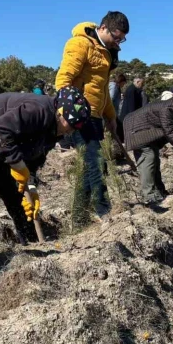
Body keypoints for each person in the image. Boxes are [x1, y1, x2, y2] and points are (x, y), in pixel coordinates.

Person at [0, 87, 91, 267]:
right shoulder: (40, 110)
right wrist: (18, 165)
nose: (71, 132)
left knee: (17, 197)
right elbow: (0, 130)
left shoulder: (54, 130)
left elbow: (33, 157)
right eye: (72, 126)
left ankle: (32, 245)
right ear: (60, 114)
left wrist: (29, 185)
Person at [54, 11, 129, 218]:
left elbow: (102, 89)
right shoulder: (80, 44)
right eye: (116, 37)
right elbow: (63, 80)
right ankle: (103, 210)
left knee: (89, 167)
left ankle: (80, 215)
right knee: (96, 162)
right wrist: (69, 113)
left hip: (96, 115)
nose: (118, 42)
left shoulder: (106, 52)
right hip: (79, 114)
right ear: (103, 28)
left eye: (122, 39)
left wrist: (111, 116)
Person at [124, 90, 173, 206]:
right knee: (149, 157)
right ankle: (149, 196)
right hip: (136, 130)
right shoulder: (168, 109)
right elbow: (171, 134)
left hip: (151, 133)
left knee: (155, 159)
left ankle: (160, 191)